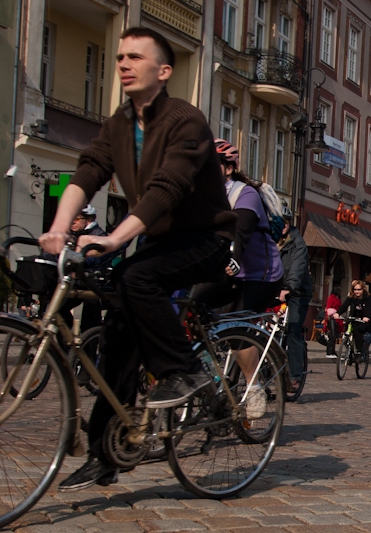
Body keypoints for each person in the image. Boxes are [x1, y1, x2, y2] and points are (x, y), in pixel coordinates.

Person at [39, 27, 235, 491]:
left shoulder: (186, 121)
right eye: (120, 56)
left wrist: (112, 241)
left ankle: (183, 371)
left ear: (163, 71)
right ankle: (108, 452)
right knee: (118, 333)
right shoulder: (121, 123)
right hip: (158, 241)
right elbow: (89, 171)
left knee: (135, 276)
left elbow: (166, 190)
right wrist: (57, 226)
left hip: (206, 238)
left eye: (135, 57)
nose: (123, 64)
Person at [193, 139, 284, 415]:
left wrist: (233, 256)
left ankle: (253, 387)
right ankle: (211, 375)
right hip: (227, 272)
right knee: (191, 306)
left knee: (238, 326)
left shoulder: (245, 194)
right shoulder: (203, 196)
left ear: (228, 169)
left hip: (261, 275)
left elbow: (240, 231)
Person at [278, 204, 312, 392]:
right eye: (279, 221)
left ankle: (295, 375)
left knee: (293, 329)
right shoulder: (269, 238)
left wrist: (289, 287)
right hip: (276, 290)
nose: (283, 225)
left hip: (297, 292)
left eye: (286, 222)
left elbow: (297, 269)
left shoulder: (298, 243)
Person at [333, 280, 371, 359]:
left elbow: (368, 308)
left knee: (358, 331)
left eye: (359, 289)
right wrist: (338, 313)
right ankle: (349, 349)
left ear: (363, 289)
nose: (357, 291)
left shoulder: (368, 298)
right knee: (347, 330)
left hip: (363, 320)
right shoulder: (351, 297)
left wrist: (366, 316)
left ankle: (359, 352)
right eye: (355, 289)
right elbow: (344, 306)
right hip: (353, 318)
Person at [324, 287, 342, 357]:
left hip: (337, 318)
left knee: (335, 335)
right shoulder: (331, 297)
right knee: (332, 335)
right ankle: (329, 352)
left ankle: (333, 351)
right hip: (331, 317)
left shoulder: (338, 298)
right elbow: (328, 307)